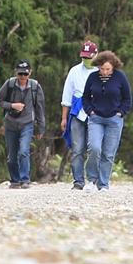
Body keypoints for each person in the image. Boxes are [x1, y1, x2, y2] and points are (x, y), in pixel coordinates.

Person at [80, 51, 132, 189]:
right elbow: (85, 97)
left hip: (114, 120)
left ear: (113, 67)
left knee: (108, 153)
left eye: (108, 69)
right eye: (102, 69)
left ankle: (103, 184)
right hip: (96, 118)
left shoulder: (120, 77)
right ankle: (91, 180)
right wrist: (90, 111)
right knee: (94, 148)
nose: (104, 72)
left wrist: (121, 113)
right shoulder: (92, 77)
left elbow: (127, 99)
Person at [0, 61, 46, 189]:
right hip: (11, 124)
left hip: (27, 124)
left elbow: (40, 108)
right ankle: (15, 179)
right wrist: (12, 106)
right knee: (12, 155)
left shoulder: (35, 86)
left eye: (25, 74)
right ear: (16, 72)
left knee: (24, 151)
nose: (23, 77)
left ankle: (25, 179)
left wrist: (41, 128)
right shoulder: (9, 84)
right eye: (20, 74)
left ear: (30, 73)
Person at [60, 41, 100, 190]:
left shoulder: (100, 71)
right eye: (84, 57)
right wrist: (64, 118)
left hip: (95, 113)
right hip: (77, 113)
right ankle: (78, 180)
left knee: (94, 148)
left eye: (89, 57)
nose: (86, 60)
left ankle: (93, 179)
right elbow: (66, 96)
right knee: (77, 149)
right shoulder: (74, 71)